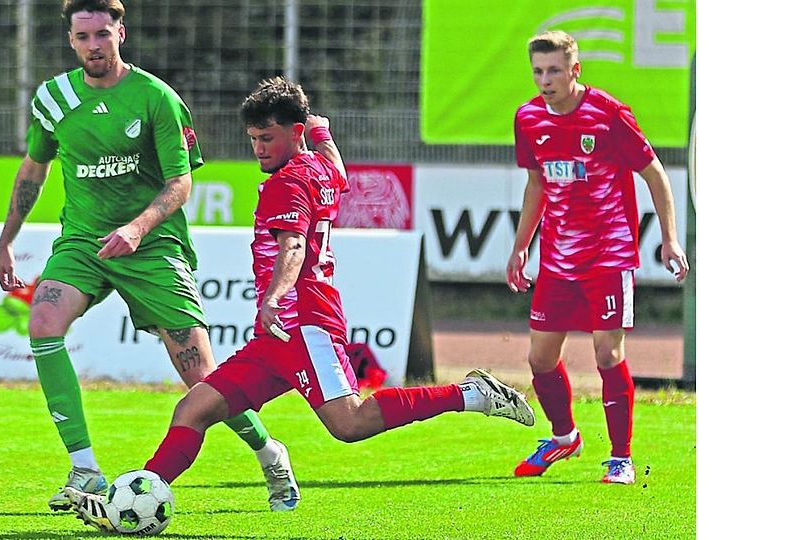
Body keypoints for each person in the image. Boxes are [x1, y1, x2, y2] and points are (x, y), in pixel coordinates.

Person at [65, 77, 536, 531]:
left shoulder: (286, 184)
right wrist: (321, 130)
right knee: (194, 408)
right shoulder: (317, 166)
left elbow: (293, 246)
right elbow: (340, 171)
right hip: (276, 337)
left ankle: (470, 395)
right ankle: (137, 496)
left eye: (267, 138)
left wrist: (273, 296)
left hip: (305, 324)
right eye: (252, 139)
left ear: (293, 133)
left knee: (349, 423)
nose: (259, 149)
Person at [0, 0, 300, 512]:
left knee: (203, 380)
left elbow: (181, 182)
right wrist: (7, 237)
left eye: (103, 34)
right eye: (84, 36)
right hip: (84, 243)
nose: (94, 45)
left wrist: (136, 229)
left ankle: (270, 453)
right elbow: (33, 168)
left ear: (121, 33)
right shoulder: (52, 98)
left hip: (152, 245)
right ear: (71, 41)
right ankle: (86, 469)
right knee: (43, 320)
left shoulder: (156, 97)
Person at [507, 31, 690, 484]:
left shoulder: (608, 115)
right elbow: (536, 186)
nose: (545, 80)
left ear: (575, 70)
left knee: (607, 354)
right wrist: (520, 245)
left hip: (608, 256)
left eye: (553, 70)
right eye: (538, 71)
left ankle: (621, 458)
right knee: (540, 359)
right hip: (557, 260)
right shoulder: (528, 118)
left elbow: (655, 174)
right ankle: (564, 437)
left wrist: (670, 238)